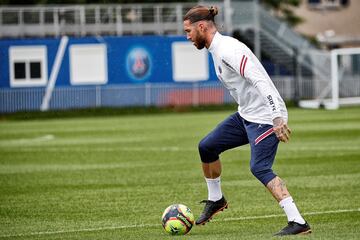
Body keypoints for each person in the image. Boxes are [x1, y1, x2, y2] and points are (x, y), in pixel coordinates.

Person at [183, 5, 311, 236]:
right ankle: (216, 199)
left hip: (265, 117)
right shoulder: (216, 49)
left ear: (201, 27)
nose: (187, 36)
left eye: (188, 31)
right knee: (207, 147)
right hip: (247, 114)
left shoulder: (229, 50)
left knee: (259, 167)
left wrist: (277, 118)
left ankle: (298, 221)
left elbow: (261, 81)